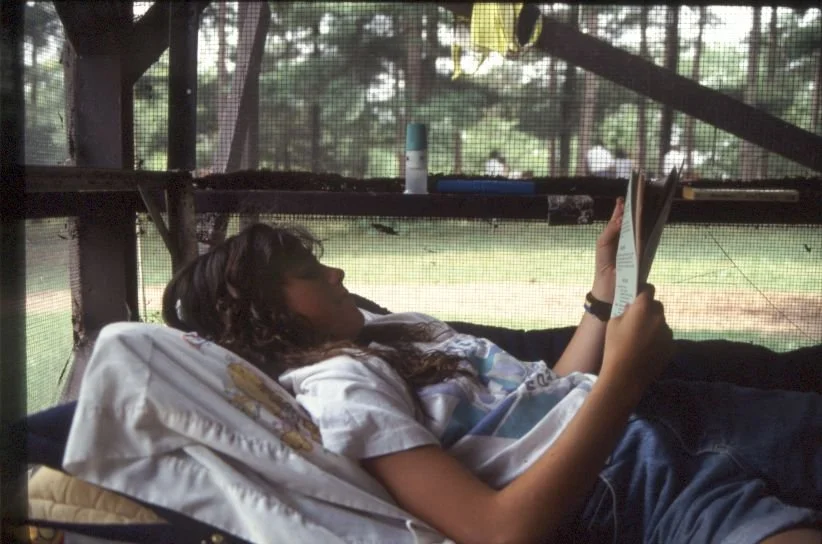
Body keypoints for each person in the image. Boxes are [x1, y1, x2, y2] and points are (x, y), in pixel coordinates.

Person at [163, 202, 822, 544]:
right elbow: (496, 530)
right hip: (637, 484)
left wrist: (604, 295)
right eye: (308, 275)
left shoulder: (396, 329)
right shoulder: (340, 390)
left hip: (671, 424)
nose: (336, 273)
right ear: (260, 319)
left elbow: (544, 397)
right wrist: (622, 381)